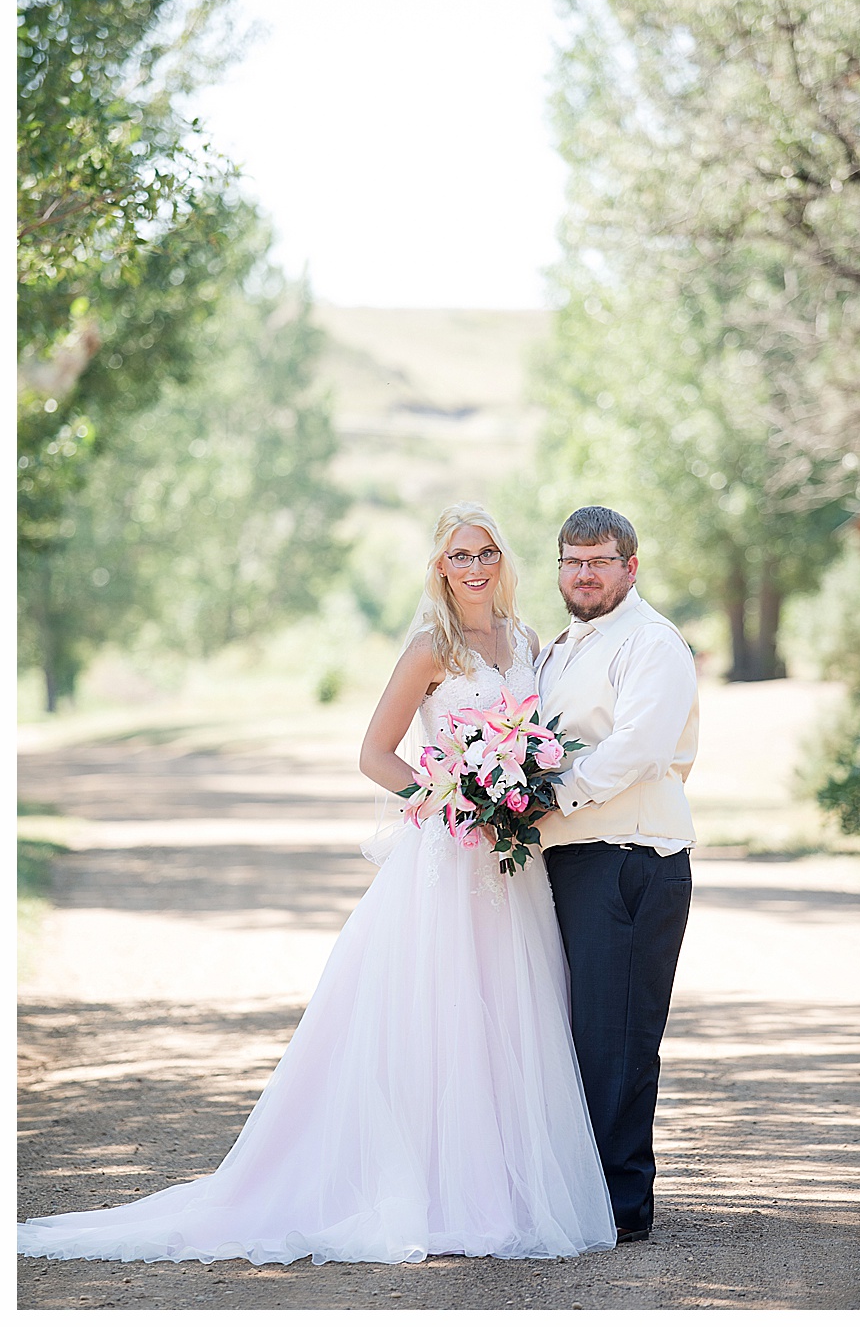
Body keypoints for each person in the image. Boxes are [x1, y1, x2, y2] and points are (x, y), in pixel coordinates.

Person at [16, 502, 616, 1264]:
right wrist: (450, 800)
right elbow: (376, 753)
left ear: (503, 559)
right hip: (447, 856)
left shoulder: (526, 638)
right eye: (459, 555)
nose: (474, 566)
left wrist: (517, 791)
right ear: (439, 565)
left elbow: (537, 738)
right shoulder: (431, 646)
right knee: (443, 1017)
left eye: (486, 552)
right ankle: (429, 1190)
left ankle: (503, 1185)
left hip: (511, 864)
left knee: (512, 1013)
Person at [533, 506, 699, 1245]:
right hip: (571, 859)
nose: (585, 574)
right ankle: (579, 1193)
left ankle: (619, 1206)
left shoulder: (652, 642)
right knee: (570, 1033)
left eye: (600, 562)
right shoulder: (563, 647)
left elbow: (638, 747)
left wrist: (550, 796)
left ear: (631, 568)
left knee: (617, 1037)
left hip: (631, 859)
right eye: (573, 561)